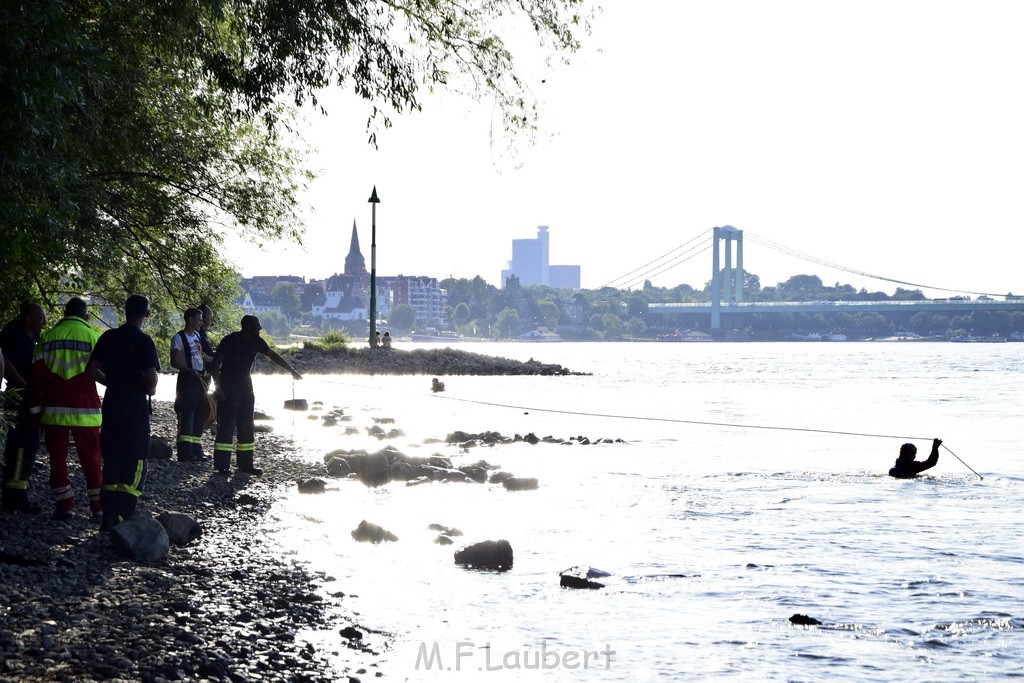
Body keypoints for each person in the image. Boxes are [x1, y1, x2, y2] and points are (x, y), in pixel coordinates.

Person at [87, 295, 159, 531]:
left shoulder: (108, 337)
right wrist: (150, 388)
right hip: (134, 405)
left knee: (112, 459)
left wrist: (112, 383)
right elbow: (151, 378)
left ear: (125, 310)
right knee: (136, 461)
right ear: (146, 314)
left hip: (112, 403)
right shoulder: (144, 341)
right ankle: (121, 517)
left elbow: (91, 370)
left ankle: (107, 516)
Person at [30, 297, 103, 521]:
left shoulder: (48, 337)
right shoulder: (93, 337)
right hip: (86, 411)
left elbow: (36, 378)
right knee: (92, 458)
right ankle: (98, 508)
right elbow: (105, 372)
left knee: (58, 459)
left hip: (53, 410)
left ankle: (64, 506)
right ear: (86, 316)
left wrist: (35, 410)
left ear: (64, 314)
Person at [209, 315, 301, 476]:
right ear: (248, 327)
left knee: (247, 426)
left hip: (245, 385)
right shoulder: (230, 340)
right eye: (257, 326)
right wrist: (217, 387)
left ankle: (245, 465)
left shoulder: (257, 341)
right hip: (228, 384)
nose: (260, 329)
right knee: (226, 426)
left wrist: (291, 370)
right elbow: (216, 364)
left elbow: (273, 356)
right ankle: (222, 466)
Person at [1, 303, 46, 513]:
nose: (44, 323)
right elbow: (6, 364)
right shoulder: (15, 336)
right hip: (20, 398)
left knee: (28, 445)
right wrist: (25, 385)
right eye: (40, 318)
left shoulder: (32, 338)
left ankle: (17, 492)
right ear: (28, 318)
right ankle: (15, 496)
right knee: (21, 445)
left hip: (28, 397)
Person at [171, 307, 208, 462]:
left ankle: (197, 450)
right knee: (187, 414)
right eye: (199, 319)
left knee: (200, 414)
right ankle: (185, 453)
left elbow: (201, 356)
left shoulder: (198, 335)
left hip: (200, 379)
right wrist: (189, 371)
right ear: (190, 320)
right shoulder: (178, 338)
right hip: (187, 380)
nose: (201, 322)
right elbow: (174, 362)